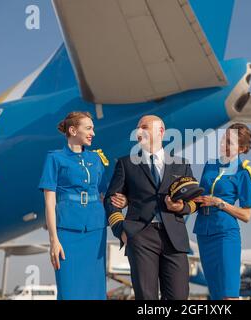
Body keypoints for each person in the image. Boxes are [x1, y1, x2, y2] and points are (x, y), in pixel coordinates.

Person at [104, 115, 198, 300]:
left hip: (174, 238)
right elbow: (110, 200)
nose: (139, 131)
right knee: (146, 298)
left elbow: (194, 202)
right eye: (138, 128)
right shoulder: (126, 163)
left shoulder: (181, 164)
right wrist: (120, 230)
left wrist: (181, 207)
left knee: (179, 296)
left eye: (144, 127)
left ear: (161, 131)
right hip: (140, 235)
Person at [38, 111, 109, 300]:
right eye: (88, 128)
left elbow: (105, 193)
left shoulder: (96, 159)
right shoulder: (55, 158)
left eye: (92, 128)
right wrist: (53, 239)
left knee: (95, 290)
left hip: (96, 229)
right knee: (69, 290)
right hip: (67, 230)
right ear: (72, 130)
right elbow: (49, 201)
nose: (93, 133)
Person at [193, 123, 251, 300]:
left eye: (229, 142)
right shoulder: (210, 165)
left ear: (242, 148)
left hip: (225, 235)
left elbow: (246, 215)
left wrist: (219, 203)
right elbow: (200, 195)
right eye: (223, 139)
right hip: (204, 233)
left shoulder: (244, 173)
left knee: (229, 294)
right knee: (215, 294)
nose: (223, 144)